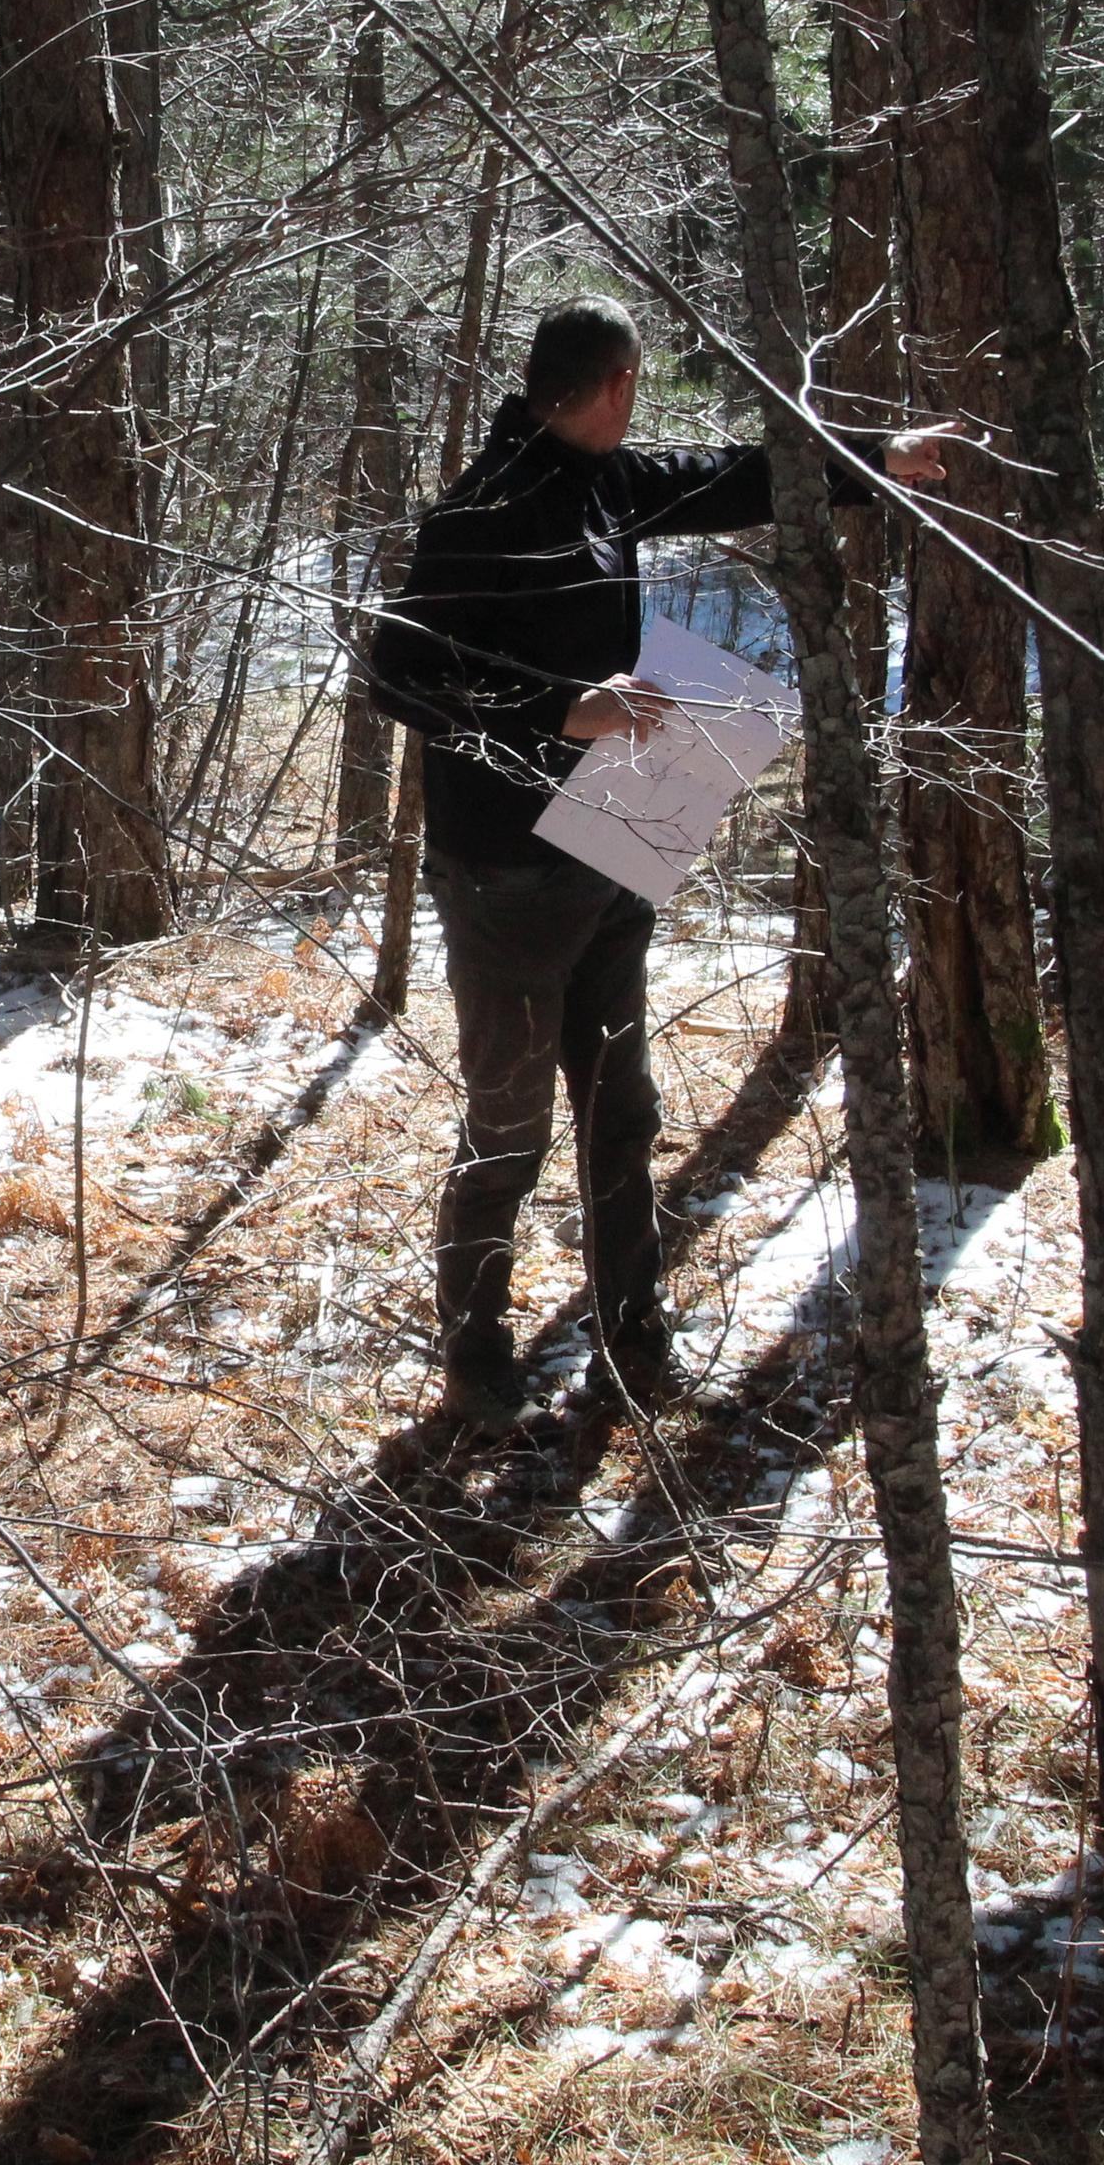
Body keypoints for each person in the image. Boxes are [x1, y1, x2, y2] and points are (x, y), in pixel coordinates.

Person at [365, 296, 934, 1426]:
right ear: (615, 381)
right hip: (504, 871)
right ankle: (477, 1350)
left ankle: (634, 1332)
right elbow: (398, 676)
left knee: (621, 1108)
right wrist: (557, 710)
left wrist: (875, 459)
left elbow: (734, 475)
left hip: (617, 834)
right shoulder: (477, 512)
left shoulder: (610, 480)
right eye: (637, 387)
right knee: (512, 1123)